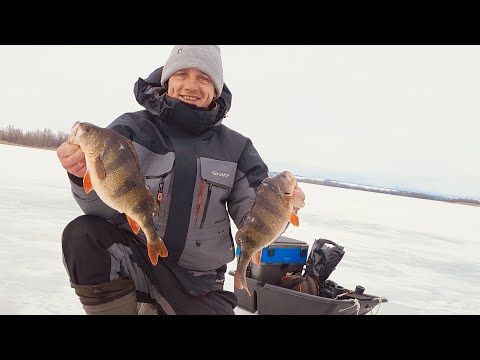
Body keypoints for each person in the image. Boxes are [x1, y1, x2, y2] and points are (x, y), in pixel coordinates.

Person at [57, 45, 299, 315]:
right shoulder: (128, 130)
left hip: (201, 284)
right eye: (182, 73)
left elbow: (254, 220)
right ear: (167, 79)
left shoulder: (238, 149)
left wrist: (285, 206)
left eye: (204, 78)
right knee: (84, 234)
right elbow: (105, 205)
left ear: (216, 89)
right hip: (137, 260)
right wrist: (80, 176)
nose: (191, 85)